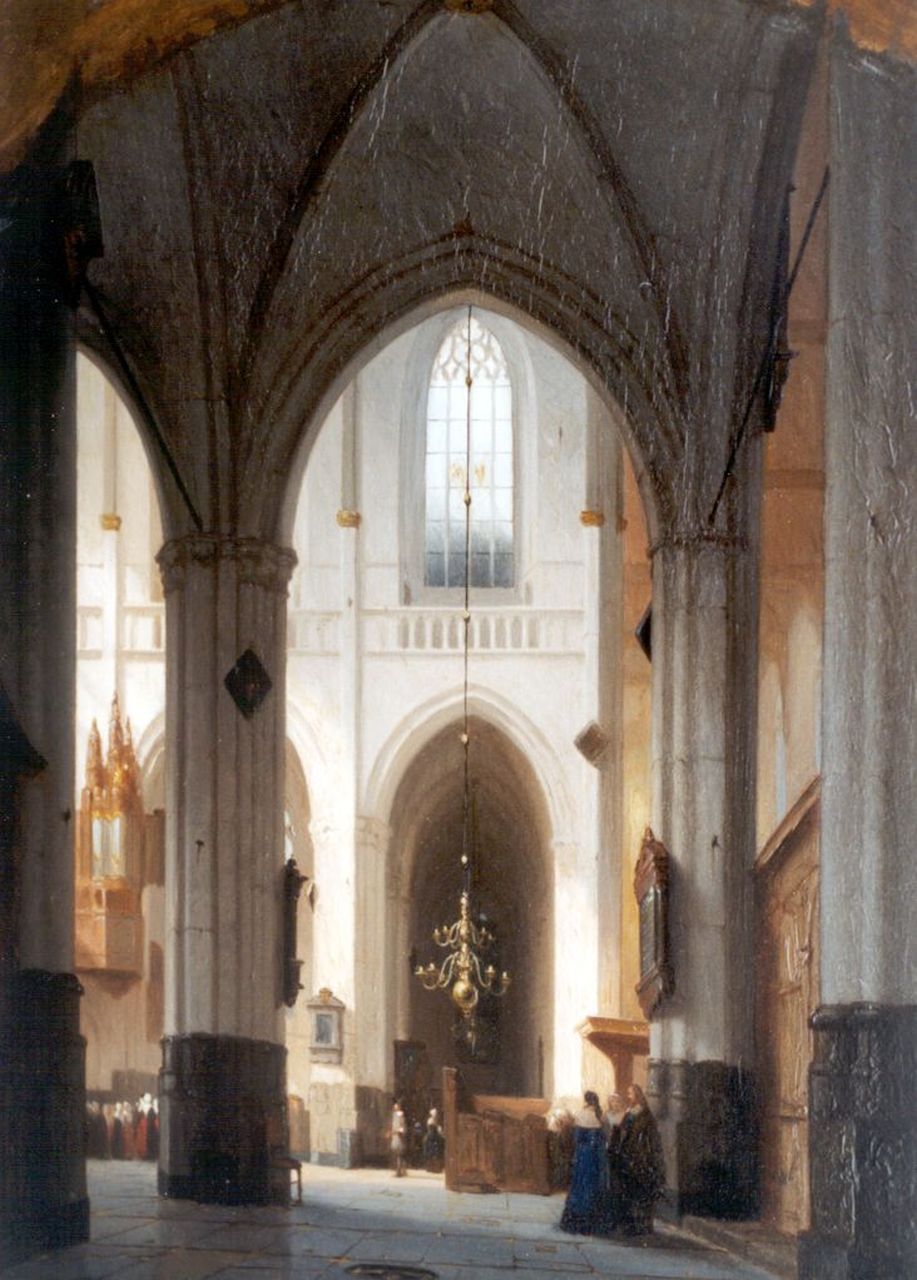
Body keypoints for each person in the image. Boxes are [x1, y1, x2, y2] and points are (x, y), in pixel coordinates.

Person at [610, 1084, 665, 1235]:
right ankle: (632, 1224)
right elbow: (622, 1128)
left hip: (639, 1157)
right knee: (629, 1190)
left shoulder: (642, 1113)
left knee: (638, 1190)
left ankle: (640, 1224)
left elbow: (646, 1136)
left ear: (637, 1095)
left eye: (630, 1094)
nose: (628, 1097)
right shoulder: (633, 1112)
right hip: (630, 1154)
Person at [559, 1091, 612, 1235]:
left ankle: (578, 1220)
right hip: (596, 1157)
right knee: (593, 1185)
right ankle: (593, 1222)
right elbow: (603, 1138)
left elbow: (577, 1139)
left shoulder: (582, 1114)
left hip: (584, 1156)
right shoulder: (599, 1115)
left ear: (586, 1100)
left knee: (581, 1184)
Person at [422, 1106, 445, 1172]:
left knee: (436, 1152)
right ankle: (430, 1167)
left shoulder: (436, 1121)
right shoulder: (430, 1120)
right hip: (431, 1136)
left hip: (435, 1136)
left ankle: (436, 1167)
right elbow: (431, 1129)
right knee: (430, 1152)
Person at [390, 1099, 407, 1177]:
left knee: (399, 1154)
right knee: (397, 1153)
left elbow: (402, 1128)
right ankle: (401, 1170)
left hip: (399, 1136)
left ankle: (399, 1171)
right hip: (395, 1137)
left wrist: (396, 1132)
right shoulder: (395, 1115)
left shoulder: (400, 1115)